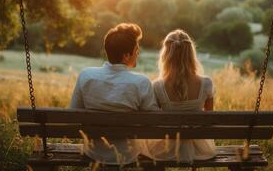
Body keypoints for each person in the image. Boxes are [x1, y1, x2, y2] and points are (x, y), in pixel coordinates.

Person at [69, 23, 159, 165]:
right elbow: (152, 121)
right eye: (136, 50)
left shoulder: (86, 75)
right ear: (126, 55)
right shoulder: (141, 82)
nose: (138, 53)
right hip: (128, 153)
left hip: (93, 151)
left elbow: (73, 113)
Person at [142, 29, 217, 162]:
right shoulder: (207, 83)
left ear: (166, 55)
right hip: (200, 149)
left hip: (167, 149)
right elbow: (208, 121)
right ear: (191, 54)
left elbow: (155, 122)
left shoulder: (157, 86)